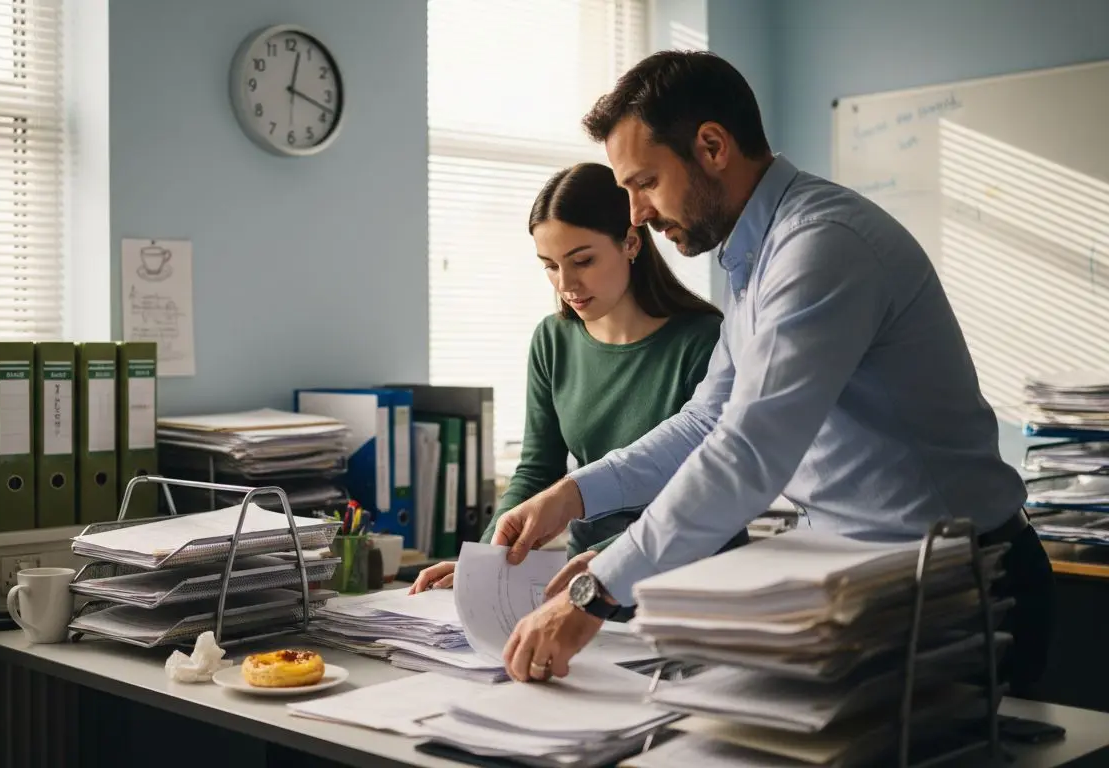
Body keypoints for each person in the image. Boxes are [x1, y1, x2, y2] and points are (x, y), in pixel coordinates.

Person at [494, 50, 1053, 697]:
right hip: (874, 579)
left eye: (644, 182)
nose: (637, 212)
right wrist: (573, 495)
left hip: (968, 586)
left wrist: (600, 586)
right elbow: (706, 422)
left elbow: (749, 451)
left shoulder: (821, 246)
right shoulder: (756, 260)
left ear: (711, 146)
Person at [409, 162, 745, 605]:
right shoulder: (554, 340)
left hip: (684, 584)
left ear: (630, 242)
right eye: (550, 266)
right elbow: (537, 470)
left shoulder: (704, 340)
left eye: (582, 260)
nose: (566, 284)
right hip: (580, 587)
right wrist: (482, 563)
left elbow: (705, 491)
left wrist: (605, 566)